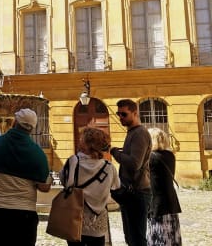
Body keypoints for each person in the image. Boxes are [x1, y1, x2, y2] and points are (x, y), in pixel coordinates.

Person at [0, 108, 52, 246]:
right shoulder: (37, 153)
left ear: (14, 122)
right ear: (31, 128)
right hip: (24, 213)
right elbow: (44, 187)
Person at [59, 127, 120, 246]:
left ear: (86, 143)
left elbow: (65, 182)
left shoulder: (74, 161)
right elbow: (116, 187)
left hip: (75, 219)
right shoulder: (109, 167)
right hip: (98, 221)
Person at [110, 99, 152, 246]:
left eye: (124, 114)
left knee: (137, 239)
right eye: (118, 114)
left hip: (138, 192)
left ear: (135, 113)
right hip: (131, 192)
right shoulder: (132, 132)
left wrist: (114, 152)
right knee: (130, 237)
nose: (120, 117)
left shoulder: (140, 133)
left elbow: (135, 163)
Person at [147, 128, 182, 246]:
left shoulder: (150, 158)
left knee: (159, 237)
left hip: (157, 203)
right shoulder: (170, 155)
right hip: (171, 201)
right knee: (172, 236)